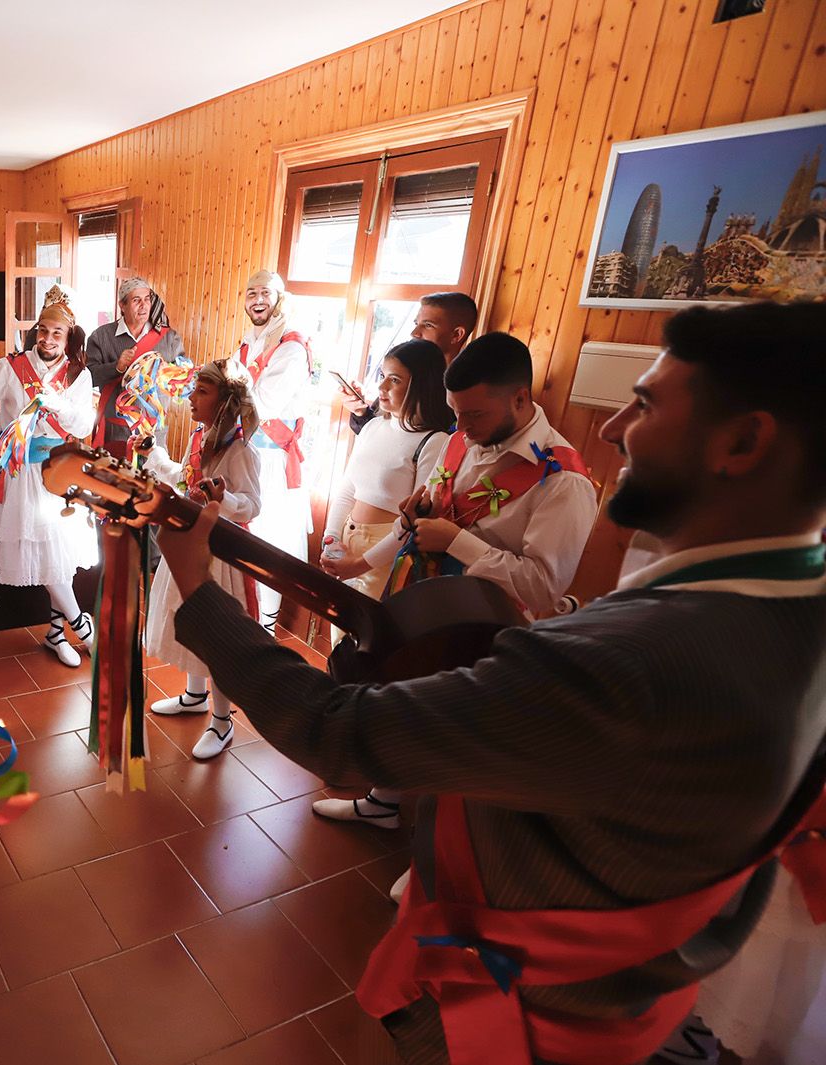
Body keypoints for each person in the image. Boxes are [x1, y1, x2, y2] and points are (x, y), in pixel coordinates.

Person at [155, 300, 826, 1065]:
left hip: (529, 1016)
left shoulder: (630, 664)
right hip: (634, 987)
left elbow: (340, 730)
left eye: (643, 404)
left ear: (742, 441)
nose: (610, 430)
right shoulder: (793, 614)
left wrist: (202, 594)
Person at [313, 332, 597, 836]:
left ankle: (438, 864)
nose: (461, 428)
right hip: (427, 605)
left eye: (474, 416)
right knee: (405, 703)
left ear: (520, 399)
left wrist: (457, 543)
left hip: (488, 627)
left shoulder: (562, 481)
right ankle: (383, 799)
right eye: (455, 413)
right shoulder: (461, 440)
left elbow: (542, 588)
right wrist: (413, 520)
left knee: (457, 736)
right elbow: (427, 516)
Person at [0, 287, 98, 667]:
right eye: (43, 330)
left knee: (61, 557)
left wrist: (54, 400)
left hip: (60, 471)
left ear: (68, 337)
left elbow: (84, 423)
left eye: (57, 333)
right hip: (22, 475)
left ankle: (57, 633)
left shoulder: (78, 374)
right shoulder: (10, 366)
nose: (48, 339)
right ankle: (83, 630)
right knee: (45, 555)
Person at [138, 360, 261, 760]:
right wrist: (154, 455)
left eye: (201, 392)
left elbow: (252, 505)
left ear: (225, 402)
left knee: (216, 634)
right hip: (193, 543)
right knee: (189, 621)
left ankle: (222, 722)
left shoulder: (240, 450)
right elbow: (183, 479)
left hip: (221, 554)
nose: (191, 397)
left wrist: (222, 497)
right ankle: (195, 695)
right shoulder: (200, 437)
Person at [319, 339, 454, 599]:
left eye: (394, 380)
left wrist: (359, 565)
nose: (381, 386)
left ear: (421, 385)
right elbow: (348, 488)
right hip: (347, 540)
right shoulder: (373, 427)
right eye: (382, 376)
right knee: (340, 630)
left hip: (386, 553)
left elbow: (417, 521)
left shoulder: (434, 441)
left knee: (366, 632)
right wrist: (332, 537)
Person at [234, 270, 316, 631]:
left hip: (271, 462)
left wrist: (220, 388)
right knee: (240, 541)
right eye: (251, 293)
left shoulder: (291, 347)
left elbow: (261, 405)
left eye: (264, 293)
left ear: (279, 298)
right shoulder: (251, 342)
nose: (257, 300)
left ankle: (264, 631)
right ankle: (242, 622)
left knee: (267, 545)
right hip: (245, 453)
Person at [84, 276, 187, 459]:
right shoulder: (101, 337)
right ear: (122, 306)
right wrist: (116, 367)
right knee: (113, 486)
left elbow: (184, 378)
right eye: (136, 300)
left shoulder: (169, 338)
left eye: (147, 299)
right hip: (115, 434)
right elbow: (87, 378)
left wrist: (166, 372)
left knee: (153, 484)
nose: (144, 305)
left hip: (154, 435)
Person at [345, 292, 478, 434]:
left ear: (456, 334)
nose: (414, 333)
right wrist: (361, 412)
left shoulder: (462, 392)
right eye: (416, 323)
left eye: (428, 325)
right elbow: (376, 433)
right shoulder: (404, 368)